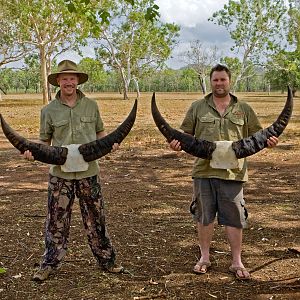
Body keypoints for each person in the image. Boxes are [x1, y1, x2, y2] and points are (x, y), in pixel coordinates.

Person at [169, 64, 278, 280]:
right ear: (211, 82)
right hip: (204, 171)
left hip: (233, 173)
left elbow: (257, 136)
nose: (219, 83)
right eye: (216, 80)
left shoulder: (244, 109)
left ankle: (236, 261)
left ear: (230, 81)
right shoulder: (197, 107)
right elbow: (185, 135)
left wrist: (269, 142)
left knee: (235, 218)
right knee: (204, 215)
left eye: (223, 80)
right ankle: (204, 257)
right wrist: (176, 143)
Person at [23, 60, 124, 281]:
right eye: (64, 78)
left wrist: (111, 145)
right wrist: (33, 154)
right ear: (58, 81)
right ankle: (49, 263)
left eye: (72, 78)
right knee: (56, 220)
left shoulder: (92, 106)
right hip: (60, 176)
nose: (69, 82)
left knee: (96, 218)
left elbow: (101, 136)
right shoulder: (48, 110)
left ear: (78, 81)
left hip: (89, 173)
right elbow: (44, 142)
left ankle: (107, 260)